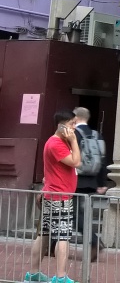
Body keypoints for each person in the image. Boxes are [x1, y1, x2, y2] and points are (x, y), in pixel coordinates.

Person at [25, 110, 81, 283]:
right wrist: (73, 140)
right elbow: (76, 162)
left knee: (45, 234)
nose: (74, 127)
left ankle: (33, 274)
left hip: (54, 194)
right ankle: (61, 277)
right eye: (72, 123)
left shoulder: (56, 142)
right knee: (62, 237)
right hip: (60, 198)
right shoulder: (56, 143)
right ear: (63, 126)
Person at [72, 107, 108, 262]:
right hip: (91, 181)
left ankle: (94, 241)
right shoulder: (96, 135)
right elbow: (102, 158)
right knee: (80, 213)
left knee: (73, 215)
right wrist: (101, 183)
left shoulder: (73, 134)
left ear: (75, 118)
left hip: (75, 180)